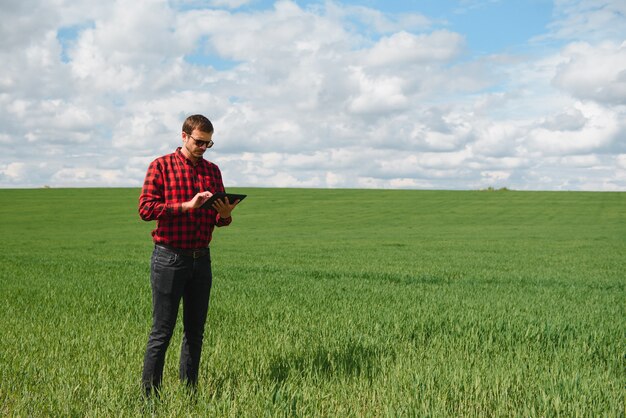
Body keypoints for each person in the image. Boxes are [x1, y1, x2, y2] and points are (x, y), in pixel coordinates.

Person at [138, 114, 239, 397]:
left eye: (209, 143)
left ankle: (189, 392)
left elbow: (218, 221)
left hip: (201, 258)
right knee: (162, 332)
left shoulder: (213, 171)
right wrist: (185, 206)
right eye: (199, 142)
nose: (203, 148)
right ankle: (150, 398)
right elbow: (146, 209)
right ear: (184, 136)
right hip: (169, 258)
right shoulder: (161, 166)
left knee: (195, 331)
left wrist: (225, 215)